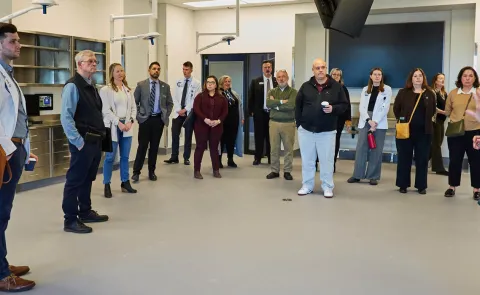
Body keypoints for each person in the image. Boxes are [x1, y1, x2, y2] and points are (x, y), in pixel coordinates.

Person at [0, 23, 37, 292]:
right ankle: (2, 275)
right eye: (13, 41)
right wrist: (10, 148)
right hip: (4, 151)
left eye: (18, 40)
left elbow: (17, 116)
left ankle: (1, 263)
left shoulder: (8, 74)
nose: (19, 45)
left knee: (4, 213)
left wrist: (24, 147)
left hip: (15, 149)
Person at [61, 50, 109, 234]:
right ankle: (70, 220)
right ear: (79, 64)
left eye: (95, 61)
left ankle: (85, 211)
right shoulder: (73, 86)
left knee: (88, 179)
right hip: (83, 142)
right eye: (90, 61)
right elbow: (66, 117)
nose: (94, 63)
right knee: (75, 181)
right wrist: (78, 142)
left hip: (95, 141)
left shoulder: (92, 85)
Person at [295, 58, 348, 198]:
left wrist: (333, 109)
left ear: (326, 69)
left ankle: (327, 186)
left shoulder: (336, 87)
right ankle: (307, 185)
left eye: (323, 67)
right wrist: (299, 124)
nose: (320, 70)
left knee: (327, 161)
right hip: (306, 130)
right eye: (317, 68)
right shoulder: (305, 86)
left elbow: (344, 105)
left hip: (327, 131)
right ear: (313, 70)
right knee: (307, 160)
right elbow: (298, 106)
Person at [393, 68, 436, 194]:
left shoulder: (429, 93)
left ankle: (421, 186)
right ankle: (403, 184)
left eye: (420, 76)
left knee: (422, 159)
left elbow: (432, 110)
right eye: (415, 76)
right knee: (404, 158)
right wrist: (402, 120)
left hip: (424, 132)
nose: (418, 78)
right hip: (405, 130)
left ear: (424, 78)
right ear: (411, 78)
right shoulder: (403, 92)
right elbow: (396, 109)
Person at [348, 68, 392, 185]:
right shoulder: (365, 90)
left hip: (379, 122)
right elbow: (362, 107)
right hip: (365, 120)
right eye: (375, 74)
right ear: (371, 76)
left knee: (376, 150)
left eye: (379, 74)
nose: (377, 76)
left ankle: (373, 176)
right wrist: (369, 120)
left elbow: (385, 108)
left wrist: (375, 122)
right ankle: (357, 175)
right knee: (361, 148)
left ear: (382, 77)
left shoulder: (387, 89)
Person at [100, 63, 137, 198]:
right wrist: (119, 123)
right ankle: (107, 184)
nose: (120, 73)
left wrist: (130, 121)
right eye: (117, 71)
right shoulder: (106, 90)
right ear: (112, 73)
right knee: (110, 157)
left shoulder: (128, 89)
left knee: (125, 157)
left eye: (122, 71)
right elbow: (105, 110)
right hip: (112, 127)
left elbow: (134, 108)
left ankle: (125, 182)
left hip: (127, 128)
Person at [131, 62, 173, 182]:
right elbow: (135, 102)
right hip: (145, 120)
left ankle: (151, 171)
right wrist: (139, 116)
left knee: (154, 147)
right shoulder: (141, 85)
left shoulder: (165, 86)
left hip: (158, 120)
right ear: (149, 70)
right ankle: (136, 172)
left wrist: (165, 115)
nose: (156, 71)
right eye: (154, 69)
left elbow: (170, 103)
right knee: (142, 146)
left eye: (158, 69)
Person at [443, 66, 480, 200]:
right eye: (465, 75)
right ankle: (452, 187)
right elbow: (447, 111)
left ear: (475, 78)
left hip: (475, 132)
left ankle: (477, 189)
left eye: (471, 76)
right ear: (460, 78)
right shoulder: (453, 93)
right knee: (454, 160)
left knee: (476, 161)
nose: (467, 78)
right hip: (455, 132)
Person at [164, 61, 201, 165]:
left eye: (187, 69)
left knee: (188, 135)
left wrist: (185, 110)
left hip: (189, 113)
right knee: (175, 134)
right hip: (178, 112)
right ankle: (174, 157)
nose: (185, 71)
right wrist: (179, 109)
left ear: (191, 70)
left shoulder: (196, 83)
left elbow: (195, 99)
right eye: (183, 69)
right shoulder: (178, 82)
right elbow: (174, 97)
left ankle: (186, 157)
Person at [193, 76, 228, 179]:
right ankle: (196, 171)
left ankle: (216, 170)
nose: (210, 84)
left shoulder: (221, 98)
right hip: (201, 126)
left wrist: (218, 121)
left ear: (216, 85)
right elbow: (196, 109)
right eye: (208, 82)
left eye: (212, 82)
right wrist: (205, 119)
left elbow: (225, 112)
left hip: (216, 126)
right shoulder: (200, 96)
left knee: (214, 148)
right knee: (200, 147)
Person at [265, 70, 297, 180]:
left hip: (288, 123)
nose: (281, 79)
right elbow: (268, 103)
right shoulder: (272, 91)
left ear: (287, 78)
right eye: (279, 77)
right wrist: (283, 102)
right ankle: (274, 170)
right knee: (274, 148)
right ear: (276, 79)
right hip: (274, 123)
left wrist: (276, 104)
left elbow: (291, 106)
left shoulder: (293, 92)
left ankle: (287, 171)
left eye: (283, 76)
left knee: (288, 149)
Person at [248, 60, 277, 165]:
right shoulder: (256, 81)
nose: (267, 69)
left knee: (272, 137)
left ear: (272, 68)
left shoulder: (276, 81)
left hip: (273, 114)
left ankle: (270, 157)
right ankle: (258, 157)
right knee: (259, 136)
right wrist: (250, 111)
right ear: (262, 69)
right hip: (260, 113)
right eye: (265, 67)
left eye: (269, 67)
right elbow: (251, 97)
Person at [329, 68, 352, 172]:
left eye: (338, 75)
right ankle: (317, 162)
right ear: (330, 75)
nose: (336, 76)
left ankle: (332, 163)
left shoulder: (343, 88)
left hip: (339, 119)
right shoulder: (326, 87)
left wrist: (348, 120)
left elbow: (348, 105)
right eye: (334, 74)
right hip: (326, 118)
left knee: (335, 141)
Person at [219, 75, 244, 168]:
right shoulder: (219, 93)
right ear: (221, 82)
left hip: (234, 121)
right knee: (221, 141)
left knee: (231, 141)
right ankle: (218, 160)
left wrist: (242, 118)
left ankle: (230, 160)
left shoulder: (234, 93)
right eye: (225, 81)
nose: (227, 83)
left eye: (229, 81)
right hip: (222, 122)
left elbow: (240, 106)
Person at [430, 73, 448, 175]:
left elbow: (449, 105)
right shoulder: (433, 92)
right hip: (435, 120)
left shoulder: (444, 93)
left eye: (443, 79)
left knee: (438, 142)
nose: (442, 80)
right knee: (437, 144)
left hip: (442, 121)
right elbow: (434, 107)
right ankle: (439, 168)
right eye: (440, 78)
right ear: (435, 81)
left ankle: (421, 157)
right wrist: (444, 112)